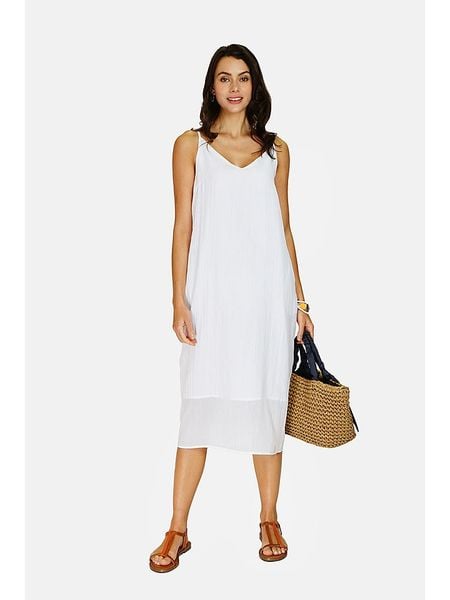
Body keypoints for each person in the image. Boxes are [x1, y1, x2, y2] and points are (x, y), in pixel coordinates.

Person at [149, 44, 314, 573]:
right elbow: (182, 226)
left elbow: (284, 228)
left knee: (266, 407)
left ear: (255, 85)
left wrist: (300, 301)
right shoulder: (190, 145)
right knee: (196, 412)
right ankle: (177, 528)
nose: (235, 87)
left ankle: (269, 519)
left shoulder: (277, 150)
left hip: (267, 298)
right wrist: (178, 298)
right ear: (212, 86)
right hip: (211, 299)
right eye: (225, 78)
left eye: (243, 78)